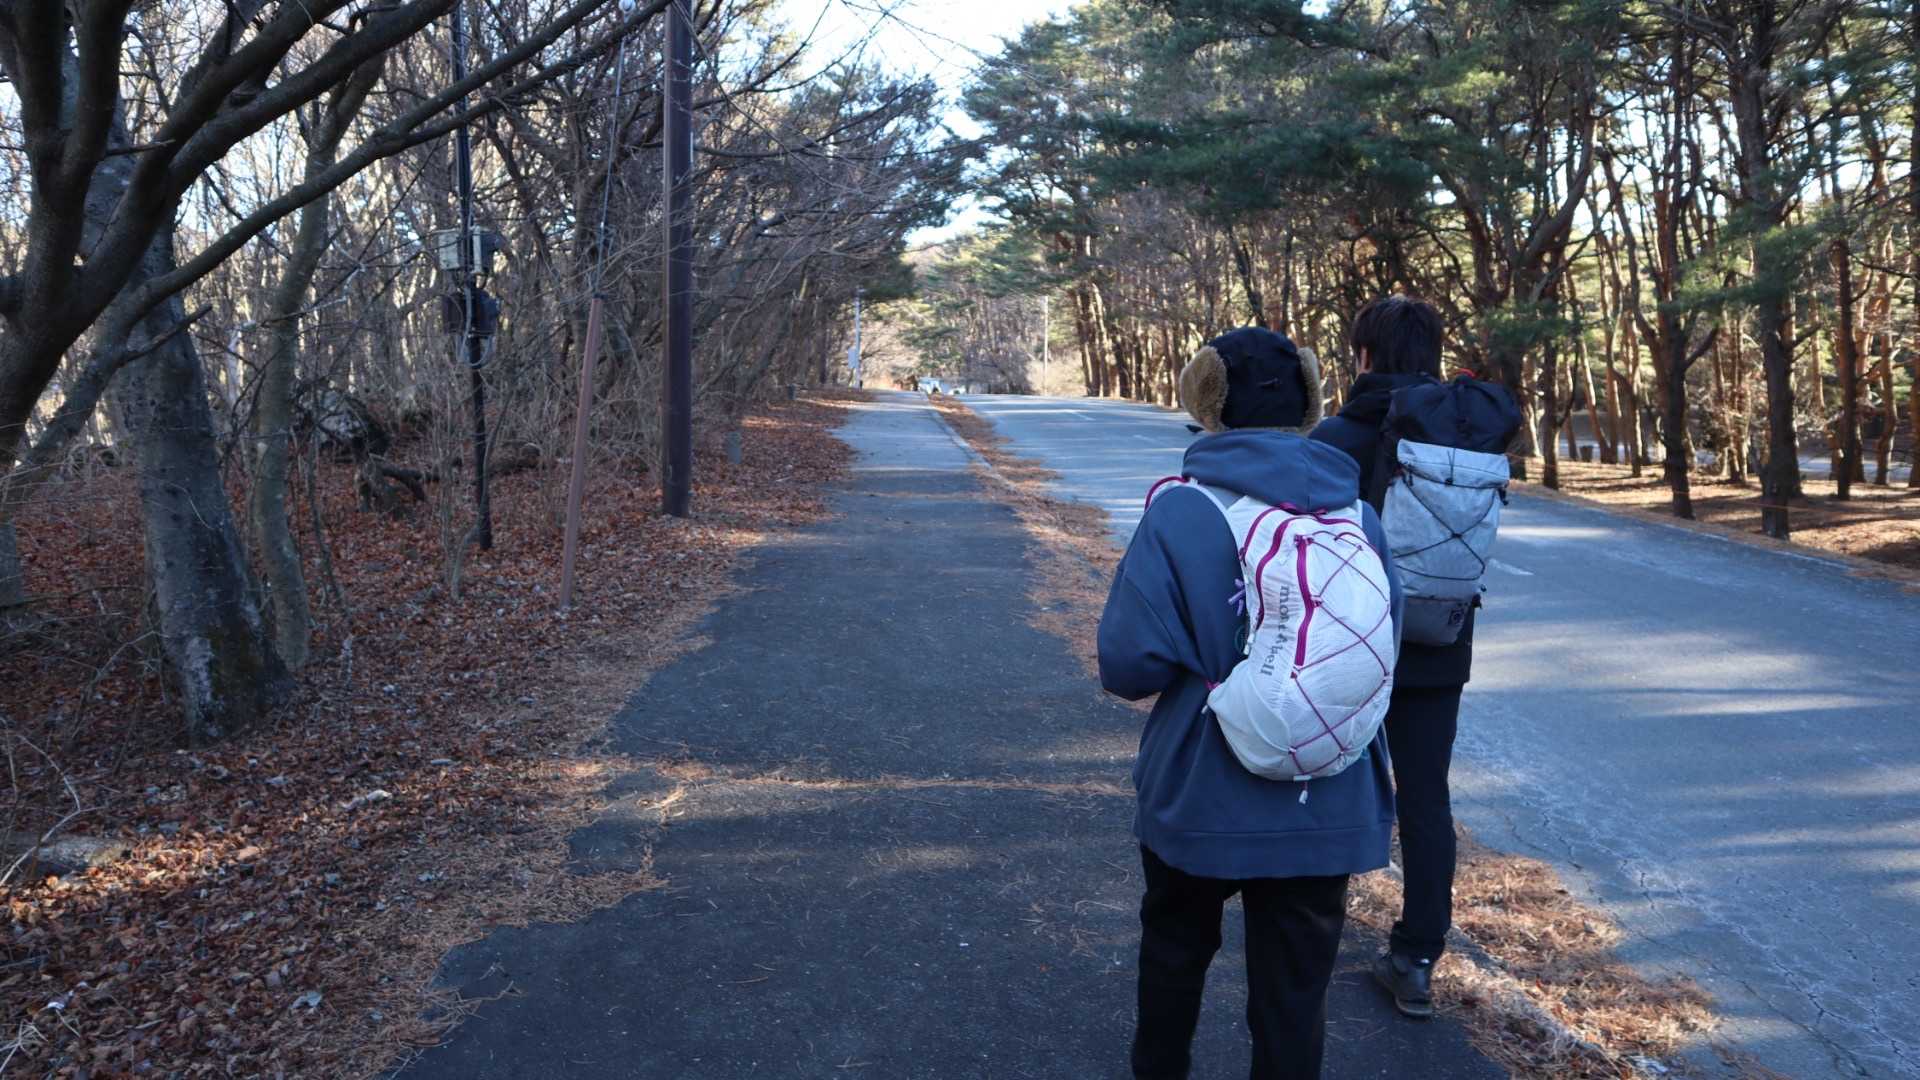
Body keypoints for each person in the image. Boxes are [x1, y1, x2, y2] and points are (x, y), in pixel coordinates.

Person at [1097, 327, 1401, 1080]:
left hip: (1200, 785)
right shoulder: (1357, 516)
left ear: (1207, 401)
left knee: (1174, 958)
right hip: (1326, 794)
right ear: (1310, 402)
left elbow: (1128, 665)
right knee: (1295, 996)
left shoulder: (1181, 510)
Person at [1309, 295, 1471, 1019]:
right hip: (1439, 640)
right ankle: (1417, 957)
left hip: (1347, 641)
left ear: (1364, 355)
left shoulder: (1333, 438)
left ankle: (1313, 927)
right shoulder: (1463, 441)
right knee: (1426, 796)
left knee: (1326, 775)